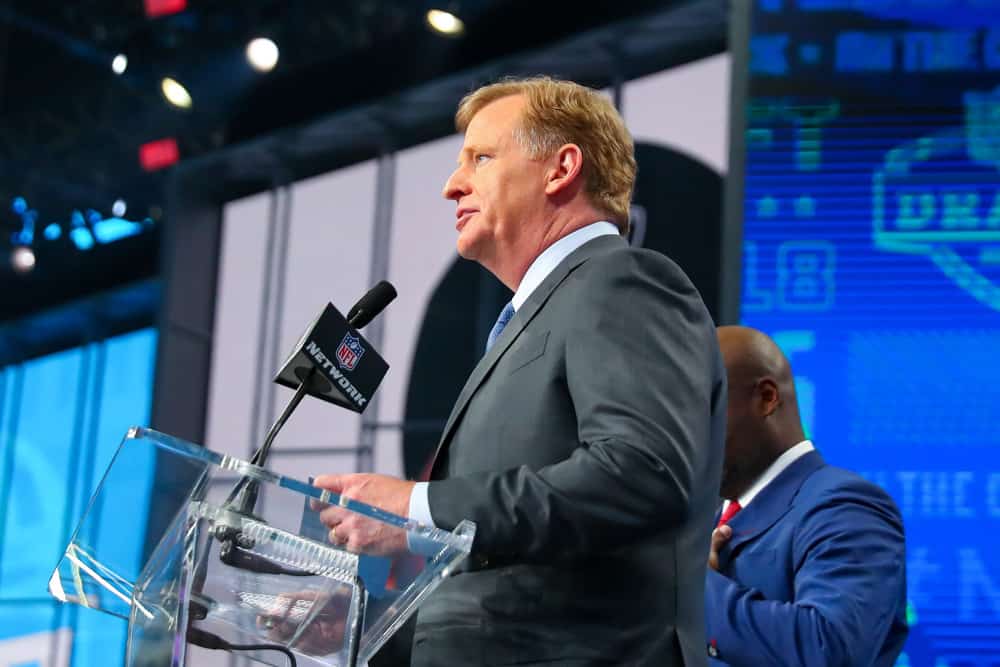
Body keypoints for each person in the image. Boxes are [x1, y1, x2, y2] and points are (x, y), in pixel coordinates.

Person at [314, 76, 726, 666]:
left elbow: (641, 473)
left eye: (480, 158)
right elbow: (499, 597)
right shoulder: (533, 319)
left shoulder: (621, 282)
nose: (452, 185)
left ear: (560, 170)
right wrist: (362, 622)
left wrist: (417, 508)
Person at [705, 326, 908, 666]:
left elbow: (827, 649)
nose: (684, 433)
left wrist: (692, 586)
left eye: (700, 408)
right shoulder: (698, 521)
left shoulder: (846, 506)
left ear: (767, 397)